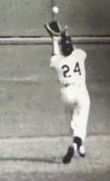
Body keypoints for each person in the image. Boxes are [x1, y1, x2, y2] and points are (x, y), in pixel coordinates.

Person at [45, 20, 90, 164]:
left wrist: (54, 38)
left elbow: (55, 53)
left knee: (73, 123)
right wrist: (64, 34)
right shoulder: (79, 54)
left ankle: (80, 147)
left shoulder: (59, 61)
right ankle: (76, 144)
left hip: (66, 94)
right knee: (80, 122)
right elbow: (72, 47)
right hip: (81, 91)